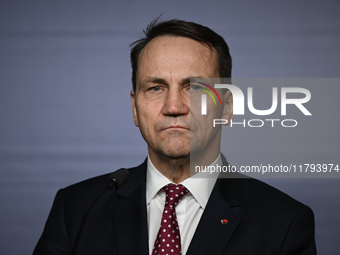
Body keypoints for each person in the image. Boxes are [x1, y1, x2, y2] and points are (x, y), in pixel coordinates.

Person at [33, 18, 316, 255]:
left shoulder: (284, 222)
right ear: (135, 108)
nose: (173, 108)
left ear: (227, 107)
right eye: (155, 88)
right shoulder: (76, 209)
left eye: (194, 88)